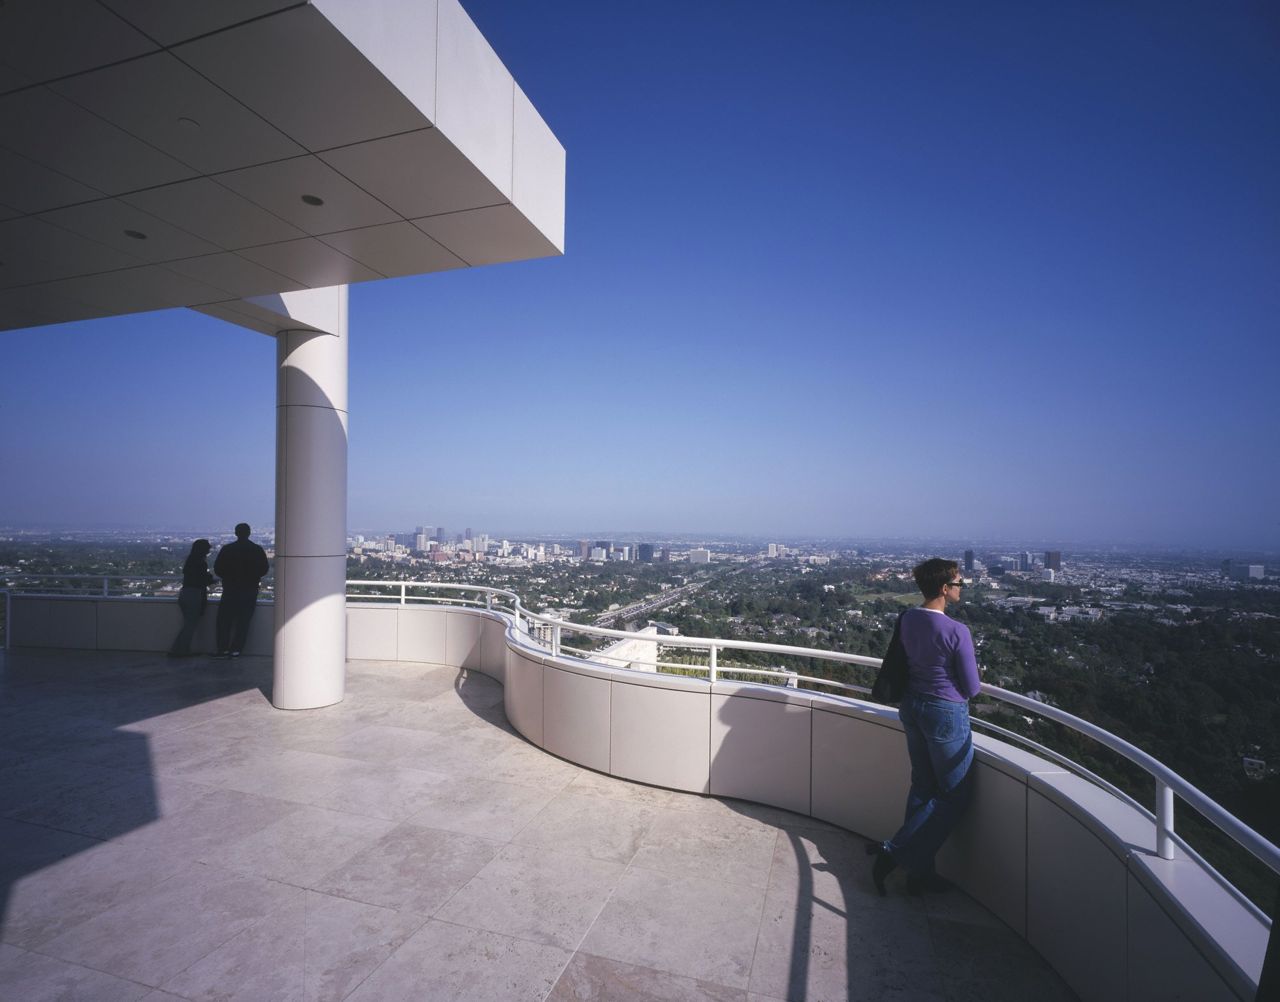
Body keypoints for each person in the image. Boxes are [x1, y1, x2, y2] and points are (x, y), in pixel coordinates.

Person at [867, 557, 981, 896]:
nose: (962, 589)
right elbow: (973, 688)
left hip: (912, 707)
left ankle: (919, 874)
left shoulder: (908, 619)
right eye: (959, 583)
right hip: (944, 713)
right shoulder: (956, 631)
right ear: (945, 589)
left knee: (923, 787)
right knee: (955, 796)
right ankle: (894, 853)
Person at [213, 522, 269, 658]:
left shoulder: (227, 549)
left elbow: (218, 568)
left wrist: (229, 577)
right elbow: (264, 569)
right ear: (249, 533)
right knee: (243, 622)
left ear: (236, 533)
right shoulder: (257, 549)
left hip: (230, 590)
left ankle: (223, 649)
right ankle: (236, 649)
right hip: (249, 590)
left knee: (224, 621)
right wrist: (252, 577)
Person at [168, 539, 214, 657]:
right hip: (194, 594)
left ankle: (178, 650)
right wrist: (210, 579)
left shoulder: (190, 561)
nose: (209, 550)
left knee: (188, 625)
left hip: (185, 593)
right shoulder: (200, 563)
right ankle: (180, 651)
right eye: (208, 548)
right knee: (190, 625)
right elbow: (202, 580)